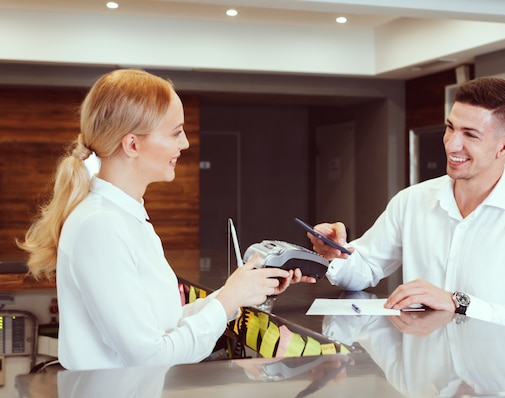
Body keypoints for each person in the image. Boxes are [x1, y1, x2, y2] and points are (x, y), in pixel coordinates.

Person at [18, 68, 302, 370]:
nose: (186, 144)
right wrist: (227, 301)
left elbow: (161, 326)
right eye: (176, 132)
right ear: (132, 145)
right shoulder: (100, 226)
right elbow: (148, 356)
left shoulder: (125, 217)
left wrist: (238, 293)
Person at [306, 77, 505, 338]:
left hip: (493, 375)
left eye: (470, 134)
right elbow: (365, 267)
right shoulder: (411, 202)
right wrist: (335, 254)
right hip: (423, 373)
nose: (452, 144)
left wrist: (458, 302)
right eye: (450, 128)